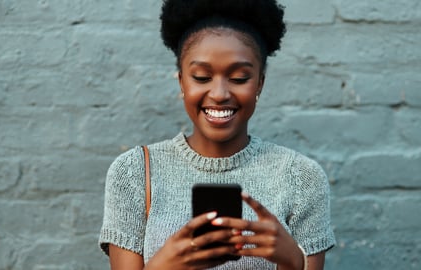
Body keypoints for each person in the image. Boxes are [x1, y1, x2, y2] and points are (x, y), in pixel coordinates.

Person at [99, 0, 336, 269]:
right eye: (201, 77)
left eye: (239, 78)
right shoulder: (133, 172)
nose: (220, 94)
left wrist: (293, 261)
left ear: (260, 83)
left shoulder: (302, 177)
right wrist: (165, 265)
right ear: (182, 82)